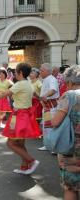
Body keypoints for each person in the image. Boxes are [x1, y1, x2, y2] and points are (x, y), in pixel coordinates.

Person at [0, 63, 41, 174]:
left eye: (16, 72)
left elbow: (4, 94)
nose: (14, 73)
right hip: (24, 115)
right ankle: (25, 167)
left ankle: (32, 161)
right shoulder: (28, 83)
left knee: (11, 143)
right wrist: (41, 98)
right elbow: (35, 94)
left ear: (21, 73)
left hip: (19, 116)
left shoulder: (20, 84)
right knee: (20, 143)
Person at [51, 65, 80, 200]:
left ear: (69, 82)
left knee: (71, 187)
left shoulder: (69, 96)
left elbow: (55, 122)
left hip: (73, 149)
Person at [38, 63, 60, 151]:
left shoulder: (51, 79)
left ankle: (53, 147)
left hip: (52, 108)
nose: (40, 72)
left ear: (47, 71)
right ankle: (47, 145)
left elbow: (53, 90)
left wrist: (46, 96)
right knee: (47, 127)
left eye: (41, 71)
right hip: (47, 108)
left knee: (51, 127)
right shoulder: (46, 79)